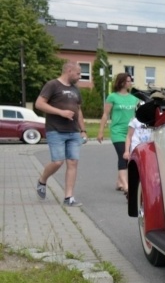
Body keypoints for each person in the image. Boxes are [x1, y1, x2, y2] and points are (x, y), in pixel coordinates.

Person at [35, 62, 87, 207]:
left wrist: (83, 130)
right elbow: (39, 104)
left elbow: (79, 110)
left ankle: (68, 197)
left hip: (74, 131)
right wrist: (61, 112)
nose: (79, 76)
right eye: (77, 73)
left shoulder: (76, 90)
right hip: (55, 130)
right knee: (58, 161)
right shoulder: (52, 85)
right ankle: (42, 180)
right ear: (69, 71)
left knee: (73, 162)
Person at [97, 73, 137, 194]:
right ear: (122, 82)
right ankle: (126, 186)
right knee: (123, 156)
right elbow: (105, 114)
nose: (130, 83)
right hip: (117, 131)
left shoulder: (134, 98)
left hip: (130, 131)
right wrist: (100, 131)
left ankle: (119, 182)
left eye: (131, 81)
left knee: (129, 157)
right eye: (128, 81)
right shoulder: (112, 97)